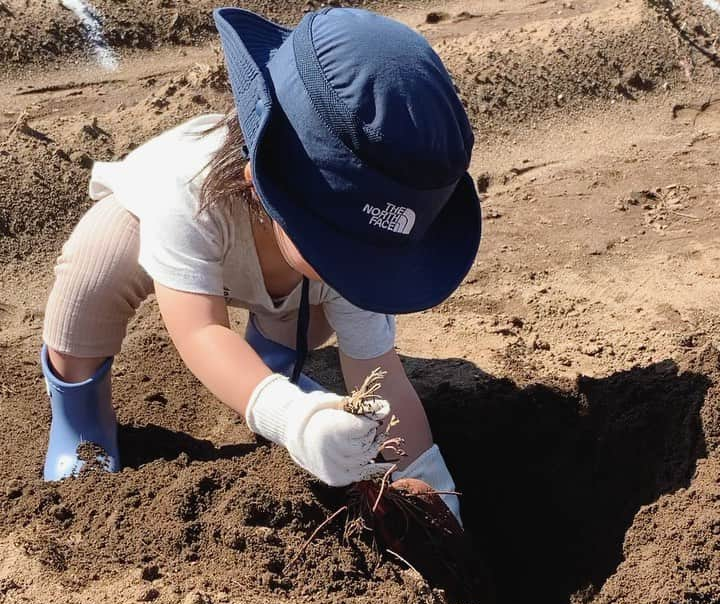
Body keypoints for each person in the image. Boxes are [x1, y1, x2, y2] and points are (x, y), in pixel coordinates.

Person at [40, 6, 481, 526]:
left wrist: (426, 478)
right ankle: (80, 414)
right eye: (344, 248)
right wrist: (293, 419)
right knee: (94, 267)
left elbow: (379, 372)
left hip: (286, 272)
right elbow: (200, 330)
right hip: (152, 234)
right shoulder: (186, 193)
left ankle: (272, 360)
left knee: (316, 311)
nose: (363, 267)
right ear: (260, 181)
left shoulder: (359, 245)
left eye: (373, 256)